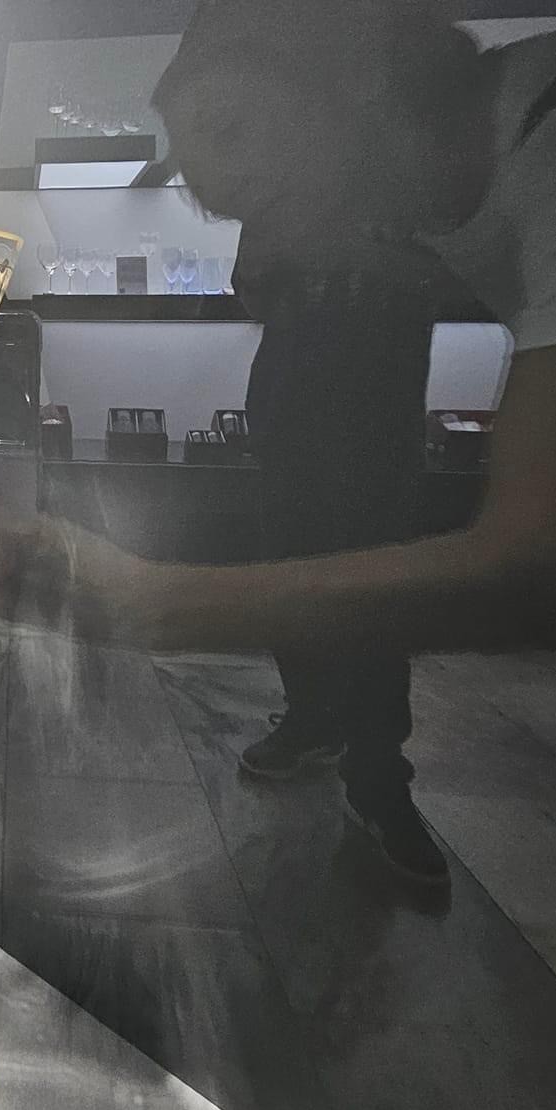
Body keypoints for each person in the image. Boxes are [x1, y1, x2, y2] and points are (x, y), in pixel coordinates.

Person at [0, 0, 556, 1110]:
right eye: (191, 158)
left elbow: (546, 554)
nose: (213, 184)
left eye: (234, 127)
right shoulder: (466, 198)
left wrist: (161, 603)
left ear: (365, 81)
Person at [232, 224, 443, 883]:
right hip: (292, 409)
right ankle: (314, 719)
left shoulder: (406, 186)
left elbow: (446, 275)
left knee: (378, 587)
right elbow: (251, 287)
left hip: (377, 414)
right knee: (289, 570)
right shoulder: (283, 195)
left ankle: (377, 774)